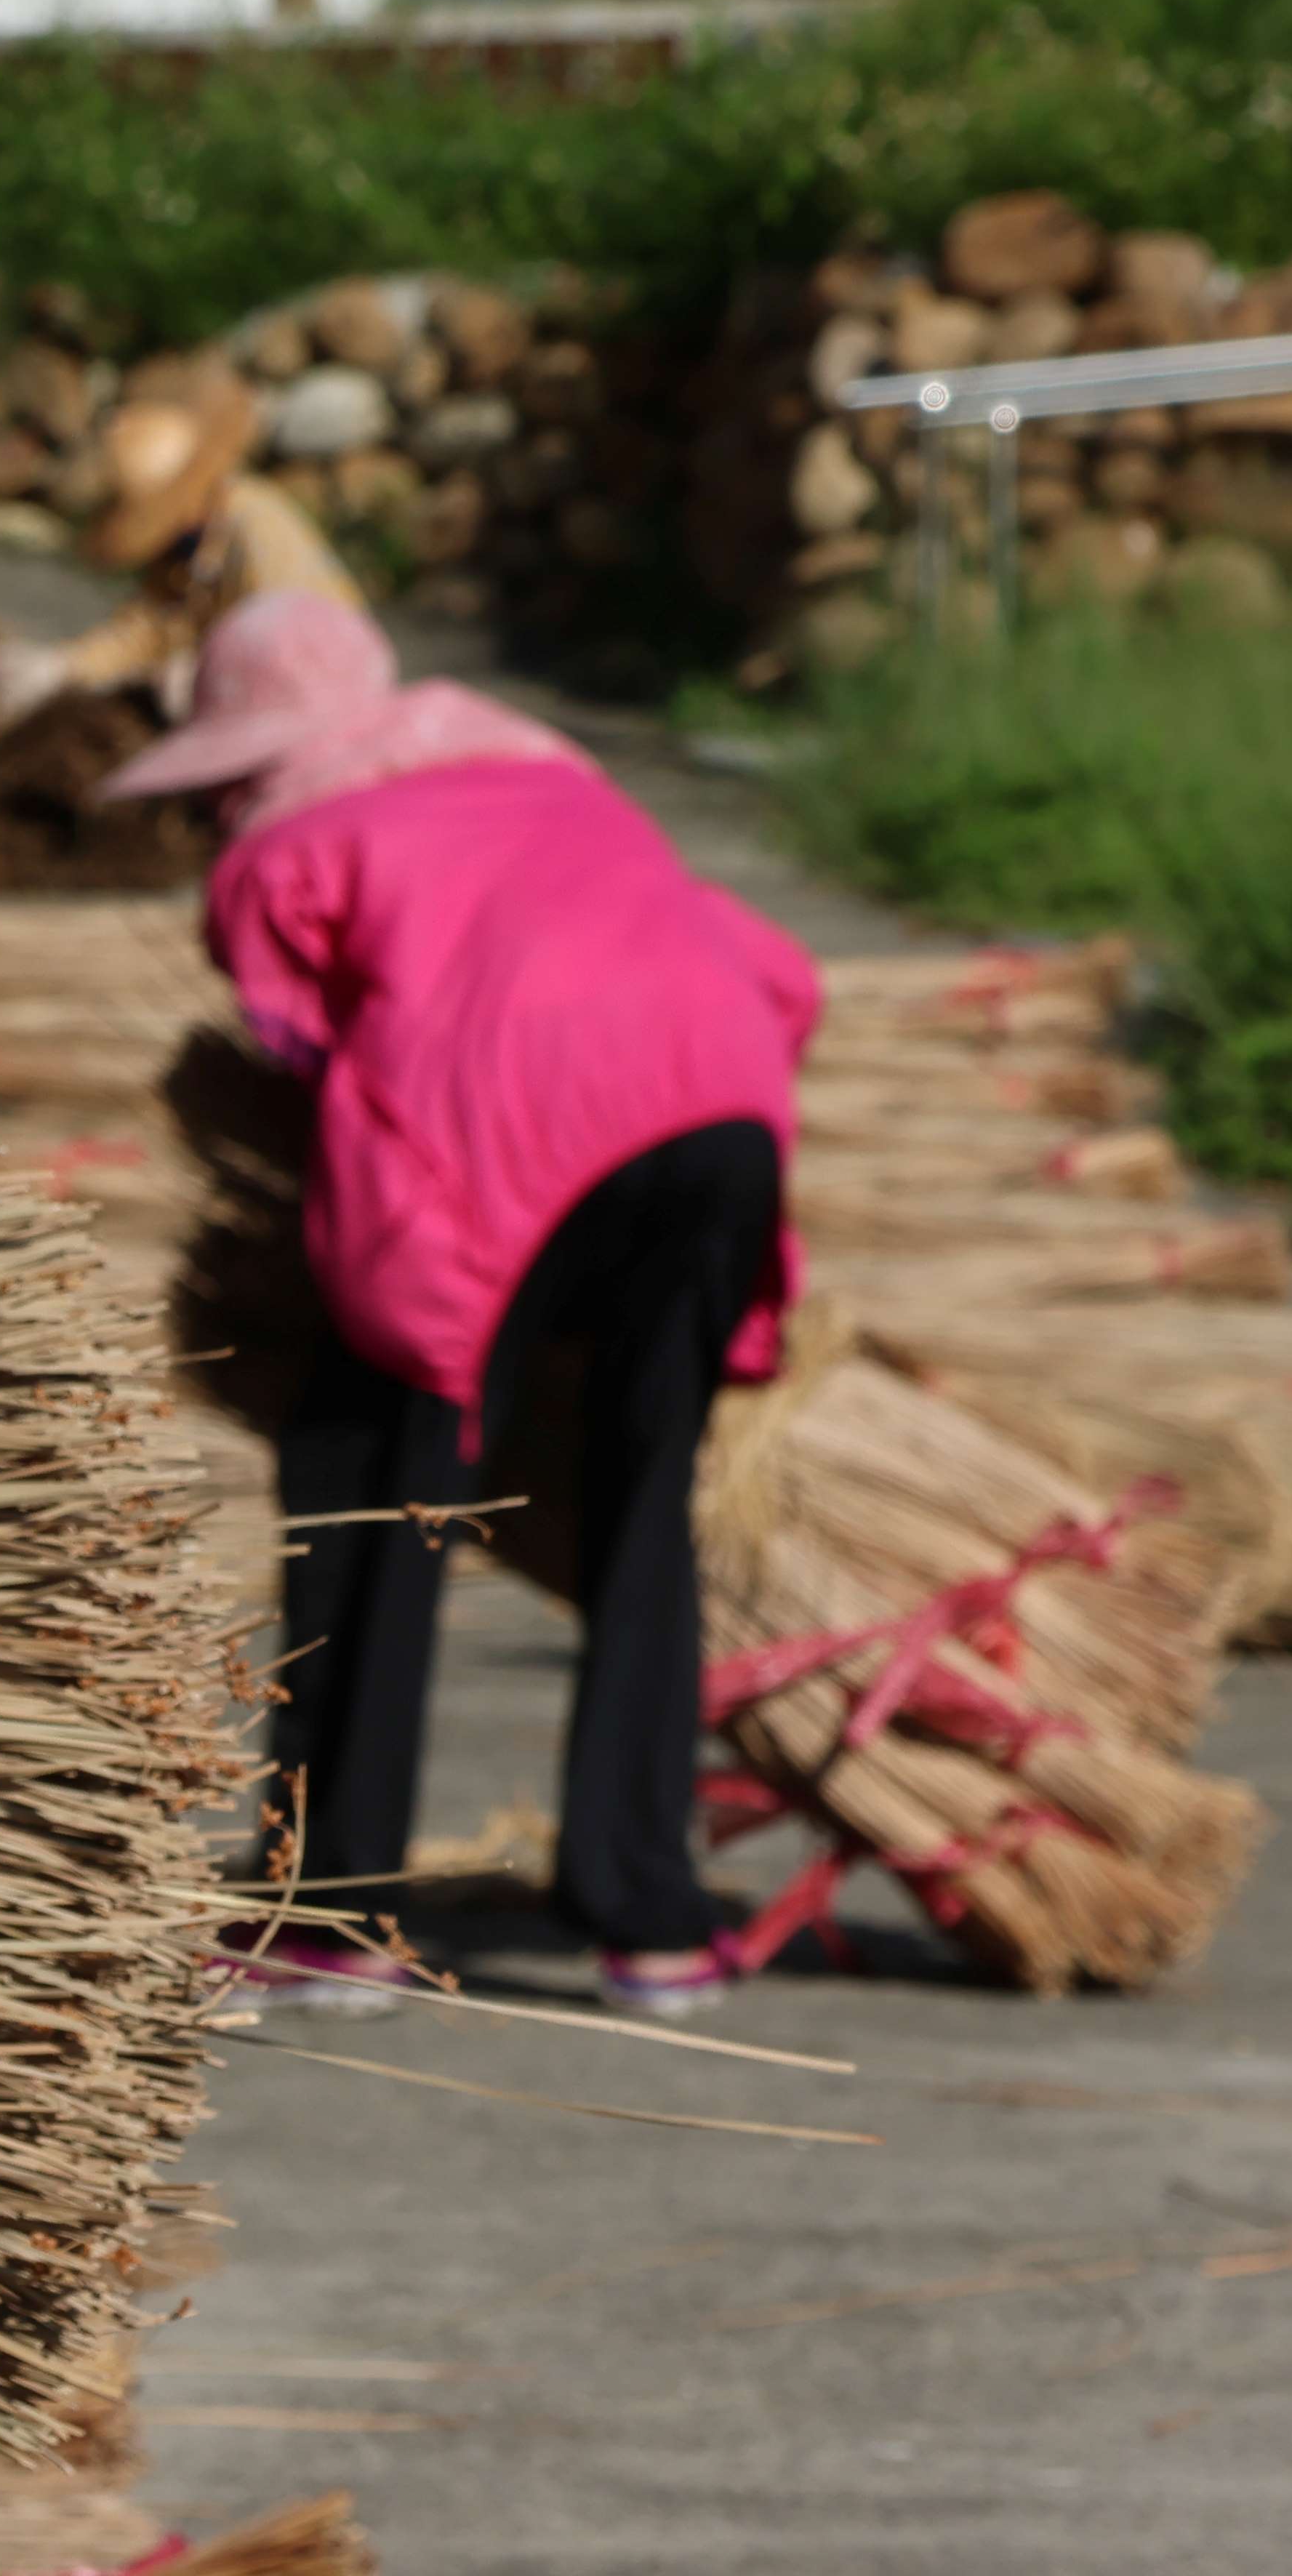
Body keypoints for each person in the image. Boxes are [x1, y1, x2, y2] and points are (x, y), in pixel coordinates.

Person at [100, 594, 818, 2021]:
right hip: (727, 1110)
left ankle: (332, 1910)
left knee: (368, 1473)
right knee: (638, 1493)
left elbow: (301, 1050)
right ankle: (649, 1921)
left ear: (244, 756)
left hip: (510, 1135)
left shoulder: (284, 846)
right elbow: (781, 972)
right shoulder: (558, 779)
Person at [47, 351, 359, 707]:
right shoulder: (187, 550)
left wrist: (201, 671)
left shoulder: (254, 527)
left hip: (317, 694)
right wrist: (72, 665)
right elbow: (151, 625)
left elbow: (294, 634)